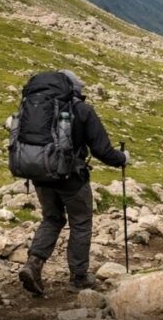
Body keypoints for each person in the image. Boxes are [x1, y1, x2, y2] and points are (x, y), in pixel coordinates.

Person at [19, 70, 127, 295]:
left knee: (52, 218)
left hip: (40, 174)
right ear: (75, 89)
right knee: (80, 222)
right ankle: (78, 277)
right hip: (71, 177)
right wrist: (122, 159)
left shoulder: (35, 106)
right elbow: (102, 150)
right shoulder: (81, 110)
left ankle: (33, 264)